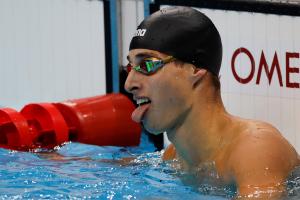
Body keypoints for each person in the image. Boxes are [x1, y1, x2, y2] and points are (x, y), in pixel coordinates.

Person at [124, 6, 299, 199]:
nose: (128, 84)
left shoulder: (255, 149)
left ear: (196, 70)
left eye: (147, 64)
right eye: (130, 67)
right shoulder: (174, 158)